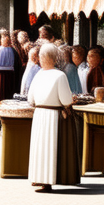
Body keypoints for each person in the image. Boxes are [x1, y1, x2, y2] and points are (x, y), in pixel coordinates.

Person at [25, 44, 79, 192]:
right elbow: (66, 100)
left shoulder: (38, 75)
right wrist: (72, 99)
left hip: (39, 115)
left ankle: (38, 178)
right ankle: (48, 180)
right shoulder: (59, 75)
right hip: (53, 117)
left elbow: (30, 99)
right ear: (55, 59)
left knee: (39, 148)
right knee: (50, 148)